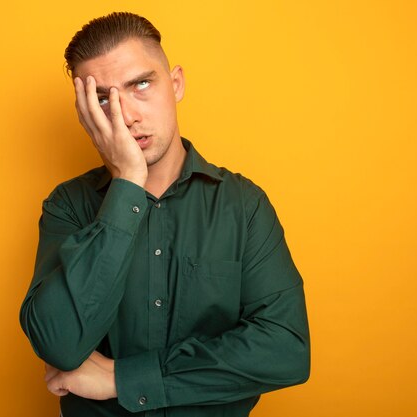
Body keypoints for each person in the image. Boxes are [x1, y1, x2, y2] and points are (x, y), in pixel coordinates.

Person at [20, 11, 310, 417]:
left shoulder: (243, 205)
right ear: (85, 113)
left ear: (175, 84)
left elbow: (286, 349)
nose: (125, 116)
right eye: (103, 98)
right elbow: (59, 343)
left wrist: (123, 378)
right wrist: (127, 183)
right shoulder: (68, 205)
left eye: (141, 85)